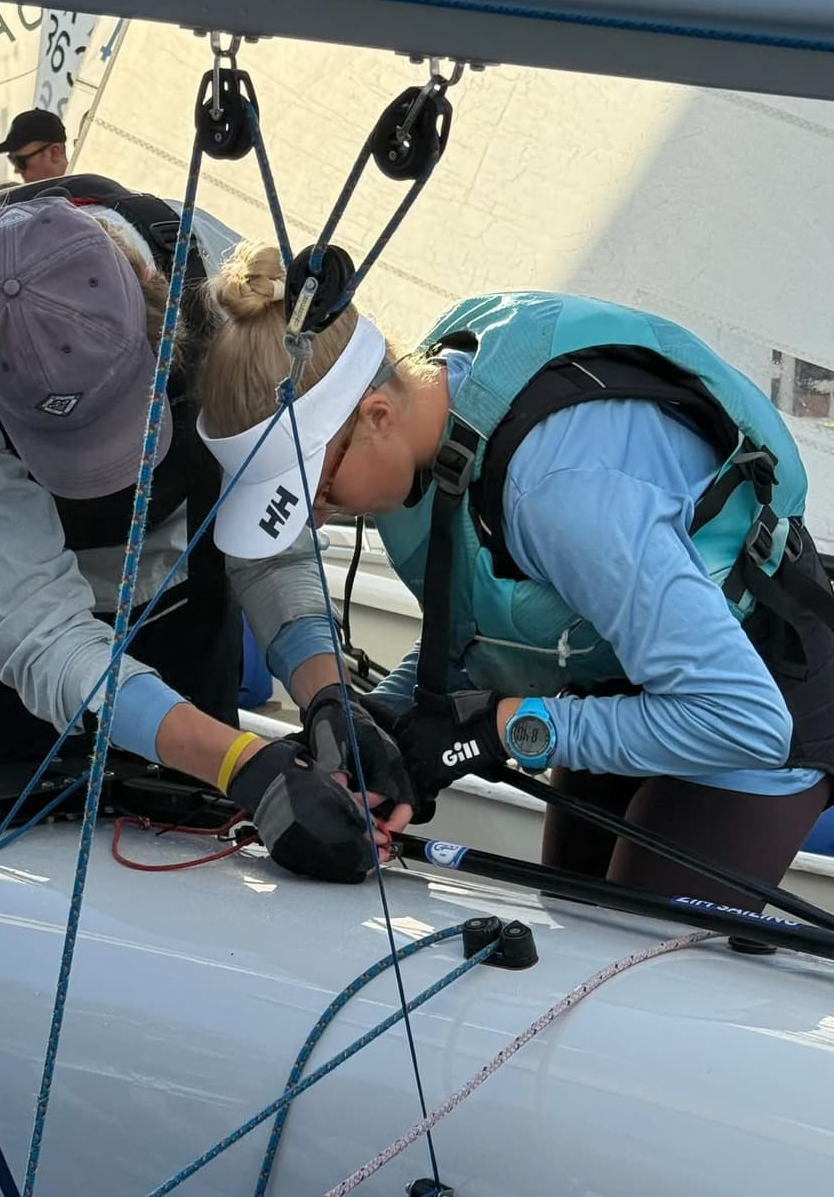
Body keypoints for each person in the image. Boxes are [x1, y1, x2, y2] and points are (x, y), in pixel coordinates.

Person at [197, 242, 834, 907]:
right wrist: (383, 721)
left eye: (320, 491)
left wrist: (493, 732)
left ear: (377, 415)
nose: (318, 518)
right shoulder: (426, 412)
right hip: (611, 669)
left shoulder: (558, 492)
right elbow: (489, 620)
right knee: (572, 917)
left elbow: (745, 719)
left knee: (621, 951)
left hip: (749, 696)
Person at [0, 184, 415, 884]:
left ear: (162, 325)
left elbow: (268, 538)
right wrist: (240, 762)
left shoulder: (228, 292)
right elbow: (37, 627)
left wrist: (327, 696)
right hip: (4, 640)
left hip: (178, 593)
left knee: (197, 859)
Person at [0, 109, 69, 182]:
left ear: (54, 153)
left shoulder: (75, 191)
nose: (16, 171)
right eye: (12, 160)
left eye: (20, 162)